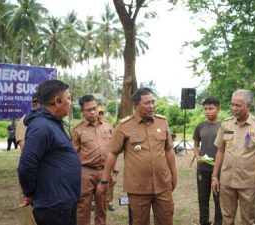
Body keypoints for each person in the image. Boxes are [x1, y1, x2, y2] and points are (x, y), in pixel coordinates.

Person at [98, 87, 177, 225]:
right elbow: (112, 154)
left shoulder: (162, 122)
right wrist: (105, 180)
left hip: (162, 184)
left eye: (153, 102)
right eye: (147, 103)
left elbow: (169, 150)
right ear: (135, 105)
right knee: (139, 221)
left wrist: (174, 174)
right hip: (138, 188)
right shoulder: (124, 126)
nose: (151, 106)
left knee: (166, 219)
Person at [18, 80, 81, 225]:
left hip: (63, 201)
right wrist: (31, 193)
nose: (71, 103)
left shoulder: (52, 123)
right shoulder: (42, 127)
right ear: (57, 101)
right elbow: (26, 165)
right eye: (69, 98)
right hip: (53, 205)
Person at [211, 89, 255, 225]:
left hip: (248, 184)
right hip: (227, 182)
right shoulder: (225, 124)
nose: (234, 108)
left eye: (238, 106)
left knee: (248, 220)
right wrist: (215, 177)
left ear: (248, 106)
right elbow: (220, 151)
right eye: (232, 105)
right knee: (227, 219)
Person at [70, 96, 117, 225]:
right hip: (85, 173)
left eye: (94, 108)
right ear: (82, 111)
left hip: (104, 172)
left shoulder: (107, 126)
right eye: (88, 110)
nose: (93, 112)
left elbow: (114, 151)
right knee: (83, 208)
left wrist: (114, 172)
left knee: (102, 208)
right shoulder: (77, 130)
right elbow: (72, 156)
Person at [192, 97, 222, 225]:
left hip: (219, 169)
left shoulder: (224, 126)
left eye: (211, 108)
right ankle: (204, 222)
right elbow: (195, 145)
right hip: (203, 168)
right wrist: (198, 157)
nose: (208, 111)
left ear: (218, 109)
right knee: (203, 198)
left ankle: (218, 222)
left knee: (218, 199)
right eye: (205, 109)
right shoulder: (200, 126)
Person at [15, 92, 40, 225]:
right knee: (28, 209)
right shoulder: (25, 120)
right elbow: (24, 146)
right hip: (30, 169)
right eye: (35, 104)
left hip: (46, 171)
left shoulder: (51, 120)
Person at [97, 107, 117, 212]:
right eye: (98, 113)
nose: (100, 115)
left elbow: (113, 143)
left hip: (107, 160)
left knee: (109, 182)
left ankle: (109, 201)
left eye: (101, 113)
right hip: (95, 162)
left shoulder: (108, 125)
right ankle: (94, 202)